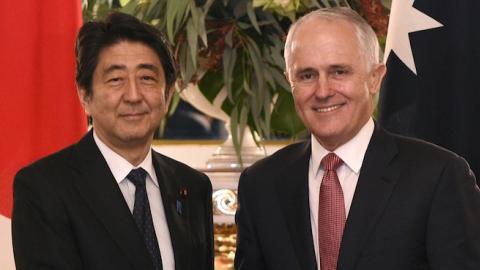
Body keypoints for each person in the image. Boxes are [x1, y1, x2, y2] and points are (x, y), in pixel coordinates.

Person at [234, 7, 480, 270]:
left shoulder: (438, 176)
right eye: (307, 75)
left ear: (375, 79)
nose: (323, 91)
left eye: (339, 72)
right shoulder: (260, 185)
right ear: (289, 82)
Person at [12, 12, 213, 270]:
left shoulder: (193, 187)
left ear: (169, 93)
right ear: (85, 95)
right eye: (116, 79)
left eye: (147, 78)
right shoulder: (44, 188)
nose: (133, 95)